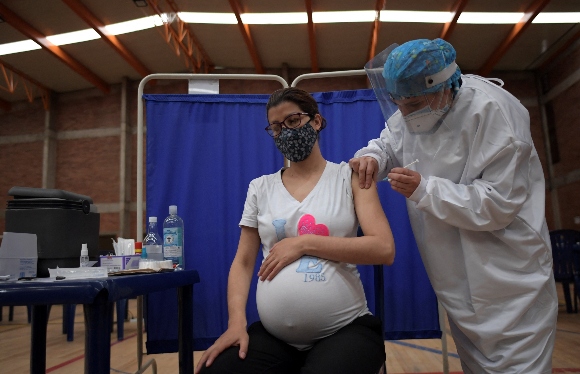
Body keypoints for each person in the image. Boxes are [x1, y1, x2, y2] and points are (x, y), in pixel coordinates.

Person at [350, 38, 558, 373]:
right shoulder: (414, 108)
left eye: (413, 103)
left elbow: (497, 204)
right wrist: (372, 157)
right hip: (456, 282)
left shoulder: (494, 112)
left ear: (444, 86)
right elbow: (389, 142)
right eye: (397, 103)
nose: (404, 113)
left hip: (509, 282)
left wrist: (425, 189)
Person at [195, 87, 395, 374]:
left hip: (346, 329)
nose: (285, 132)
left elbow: (383, 249)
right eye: (276, 127)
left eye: (292, 121)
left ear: (315, 121)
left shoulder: (349, 176)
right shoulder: (260, 188)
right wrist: (236, 323)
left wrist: (303, 244)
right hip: (275, 338)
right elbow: (243, 262)